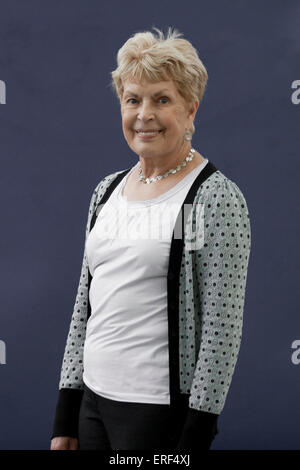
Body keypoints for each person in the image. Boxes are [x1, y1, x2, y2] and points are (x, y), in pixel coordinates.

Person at [50, 26, 251, 451]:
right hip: (93, 401)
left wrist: (195, 433)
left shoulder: (214, 197)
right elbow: (84, 305)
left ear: (191, 109)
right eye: (132, 99)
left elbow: (221, 328)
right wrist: (66, 415)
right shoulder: (106, 191)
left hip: (157, 413)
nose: (144, 115)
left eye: (162, 99)